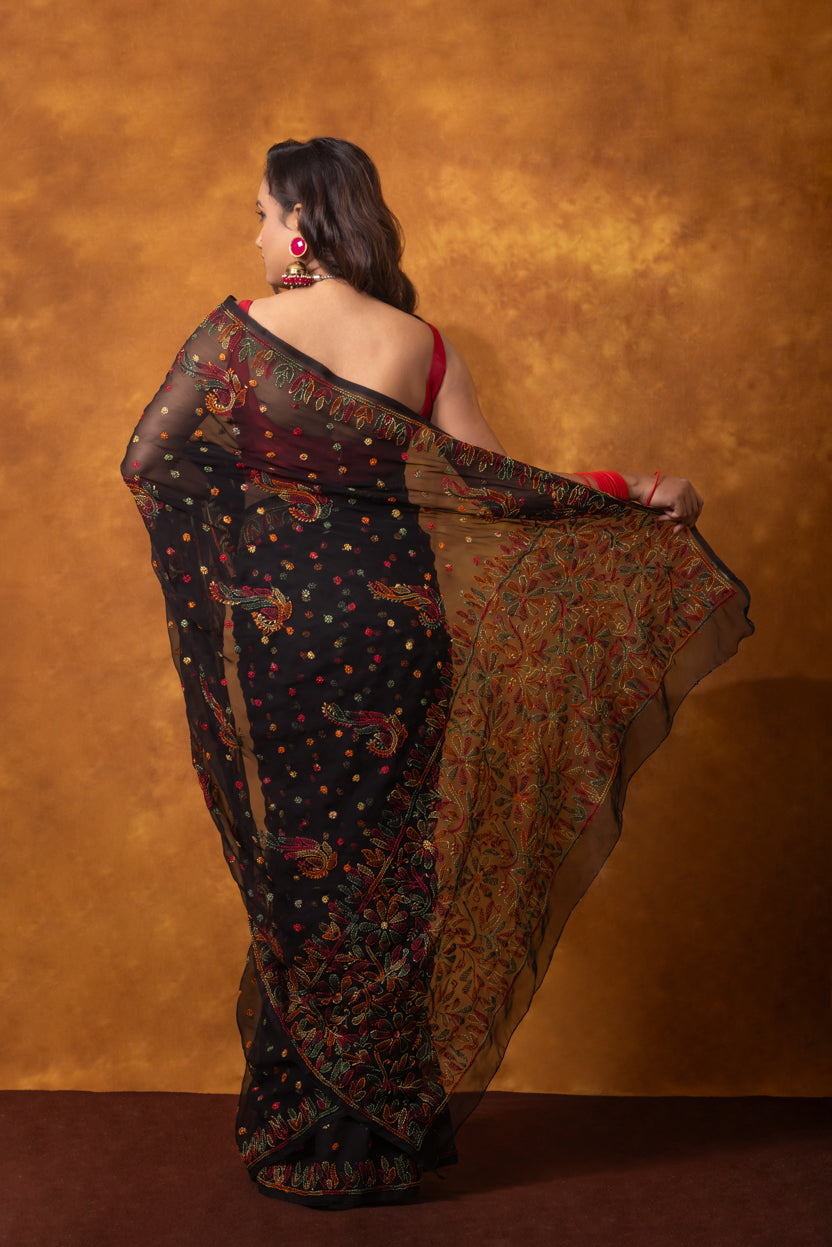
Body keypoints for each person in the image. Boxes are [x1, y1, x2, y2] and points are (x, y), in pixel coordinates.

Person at [122, 137, 752, 1208]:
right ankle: (380, 1145)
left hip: (283, 652)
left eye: (263, 213)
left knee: (303, 879)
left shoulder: (242, 337)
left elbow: (149, 460)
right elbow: (495, 488)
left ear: (303, 228)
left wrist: (241, 557)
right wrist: (625, 489)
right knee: (388, 876)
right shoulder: (418, 342)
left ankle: (302, 1132)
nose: (255, 233)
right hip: (400, 635)